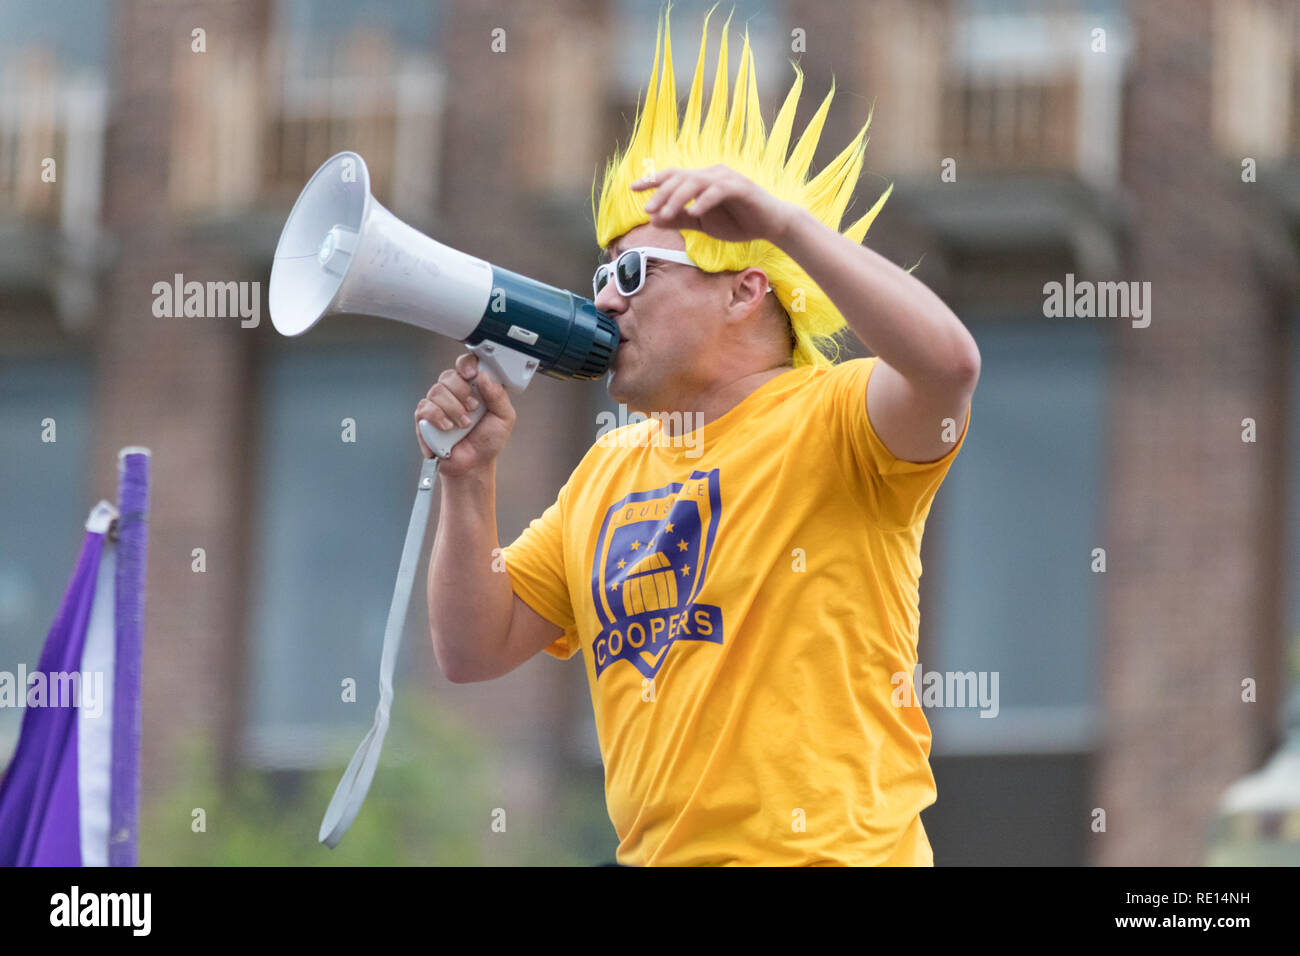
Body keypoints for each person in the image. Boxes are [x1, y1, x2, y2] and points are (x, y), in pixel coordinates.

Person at [415, 7, 979, 866]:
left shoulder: (838, 418)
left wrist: (784, 223)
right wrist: (468, 479)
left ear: (745, 290)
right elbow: (472, 649)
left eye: (634, 271)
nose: (604, 298)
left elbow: (949, 367)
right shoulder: (607, 468)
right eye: (601, 273)